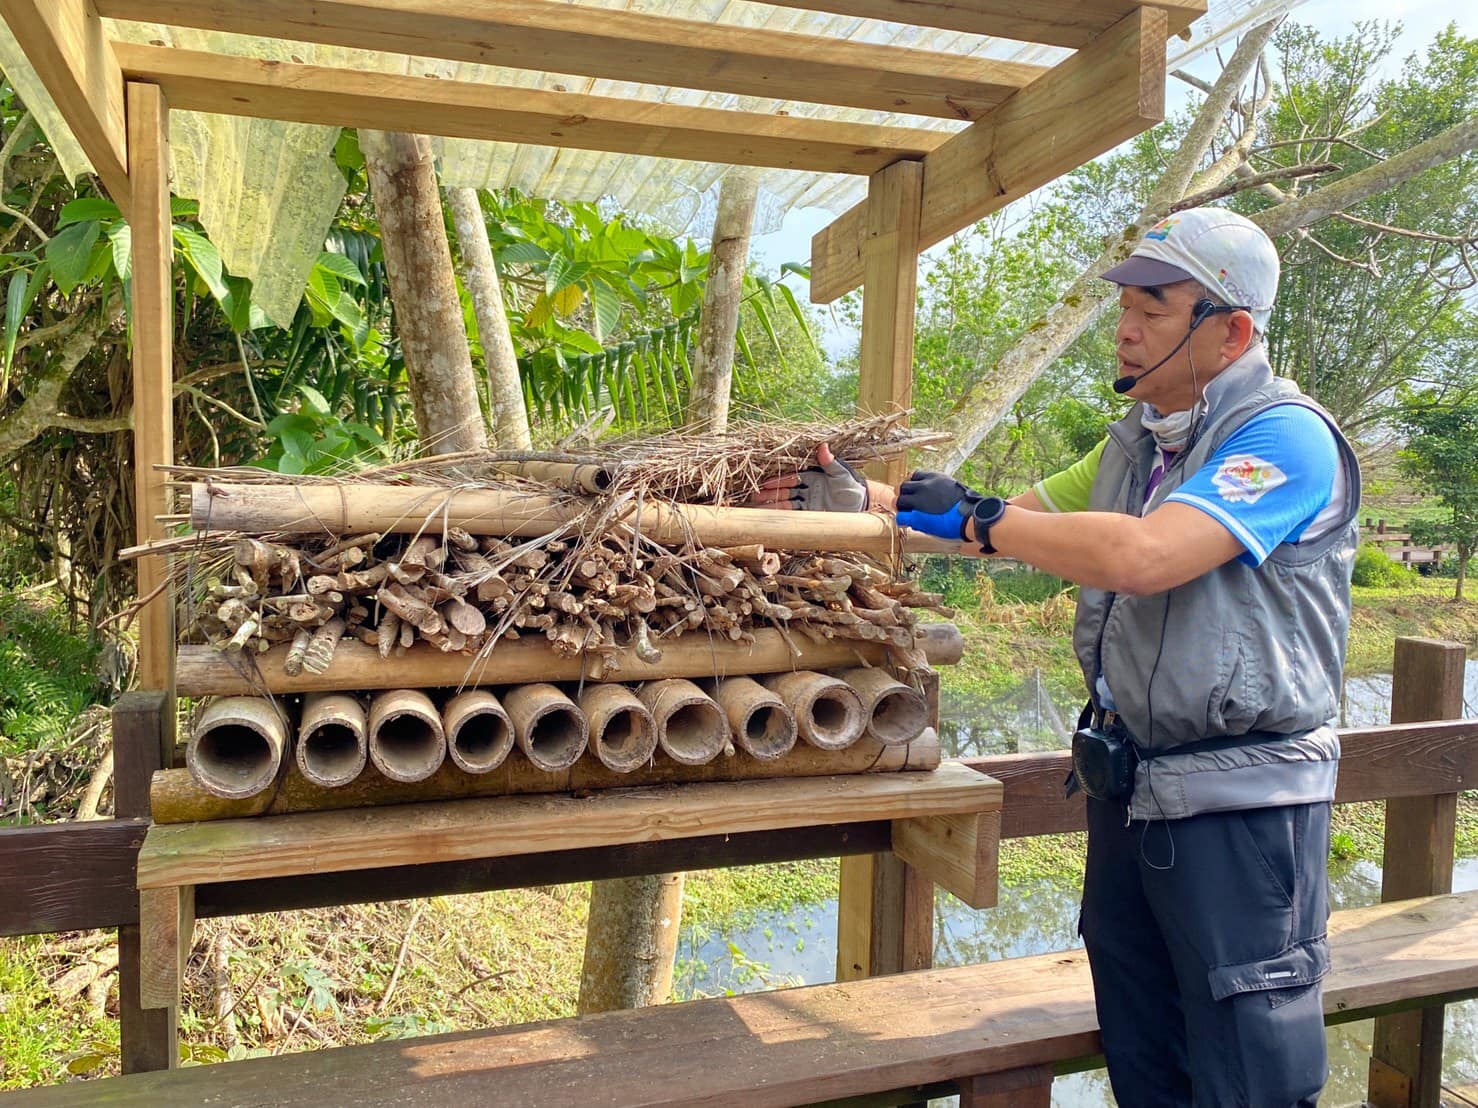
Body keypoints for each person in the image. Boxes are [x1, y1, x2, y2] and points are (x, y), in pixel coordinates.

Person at [753, 207, 1360, 1107]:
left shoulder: (1284, 439)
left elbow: (1144, 555)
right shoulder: (1134, 446)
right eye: (1125, 306)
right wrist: (861, 499)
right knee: (1143, 1047)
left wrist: (982, 518)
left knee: (1248, 1068)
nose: (1124, 329)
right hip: (1132, 790)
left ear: (1231, 331)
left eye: (1154, 310)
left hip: (1242, 808)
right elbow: (1006, 519)